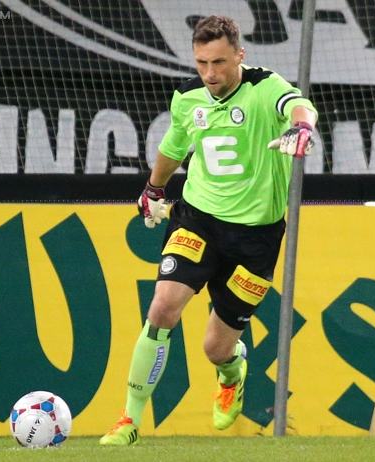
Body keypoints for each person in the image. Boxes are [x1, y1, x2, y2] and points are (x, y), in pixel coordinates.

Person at [100, 15, 318, 445]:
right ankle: (130, 421)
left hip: (256, 238)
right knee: (163, 308)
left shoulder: (264, 87)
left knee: (215, 347)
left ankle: (230, 370)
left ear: (240, 55)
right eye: (202, 63)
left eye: (219, 62)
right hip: (197, 219)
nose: (210, 73)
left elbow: (299, 106)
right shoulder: (188, 97)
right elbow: (174, 146)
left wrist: (302, 127)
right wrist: (153, 189)